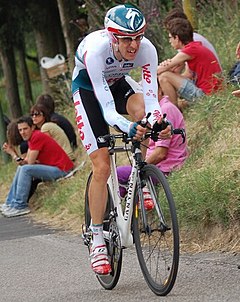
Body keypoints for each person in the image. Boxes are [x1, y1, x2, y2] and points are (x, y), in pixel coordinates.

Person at [72, 4, 171, 275]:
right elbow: (106, 109)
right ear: (112, 36)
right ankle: (97, 238)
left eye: (138, 37)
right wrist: (127, 127)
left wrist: (158, 122)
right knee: (102, 166)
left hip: (117, 83)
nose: (134, 45)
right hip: (89, 90)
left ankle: (141, 175)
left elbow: (151, 101)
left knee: (143, 115)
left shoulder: (147, 50)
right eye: (127, 38)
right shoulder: (96, 51)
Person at [117, 84, 188, 204]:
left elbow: (161, 153)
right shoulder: (159, 109)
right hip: (162, 166)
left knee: (116, 174)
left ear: (160, 90)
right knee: (124, 181)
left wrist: (138, 169)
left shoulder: (164, 110)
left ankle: (112, 216)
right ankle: (126, 210)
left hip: (164, 169)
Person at [1, 116, 74, 218]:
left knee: (25, 169)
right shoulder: (32, 138)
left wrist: (13, 154)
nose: (22, 132)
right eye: (20, 130)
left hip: (63, 169)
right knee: (21, 168)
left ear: (32, 127)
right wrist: (14, 154)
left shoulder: (37, 137)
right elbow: (25, 162)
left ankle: (20, 206)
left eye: (25, 129)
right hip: (56, 168)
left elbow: (29, 164)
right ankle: (10, 203)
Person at [157, 17, 222, 106]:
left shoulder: (190, 50)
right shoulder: (195, 46)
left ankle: (173, 112)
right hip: (212, 93)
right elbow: (188, 75)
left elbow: (159, 70)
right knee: (167, 75)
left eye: (170, 38)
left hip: (207, 95)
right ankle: (175, 106)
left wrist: (163, 67)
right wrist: (170, 70)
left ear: (176, 37)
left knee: (164, 76)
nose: (169, 41)